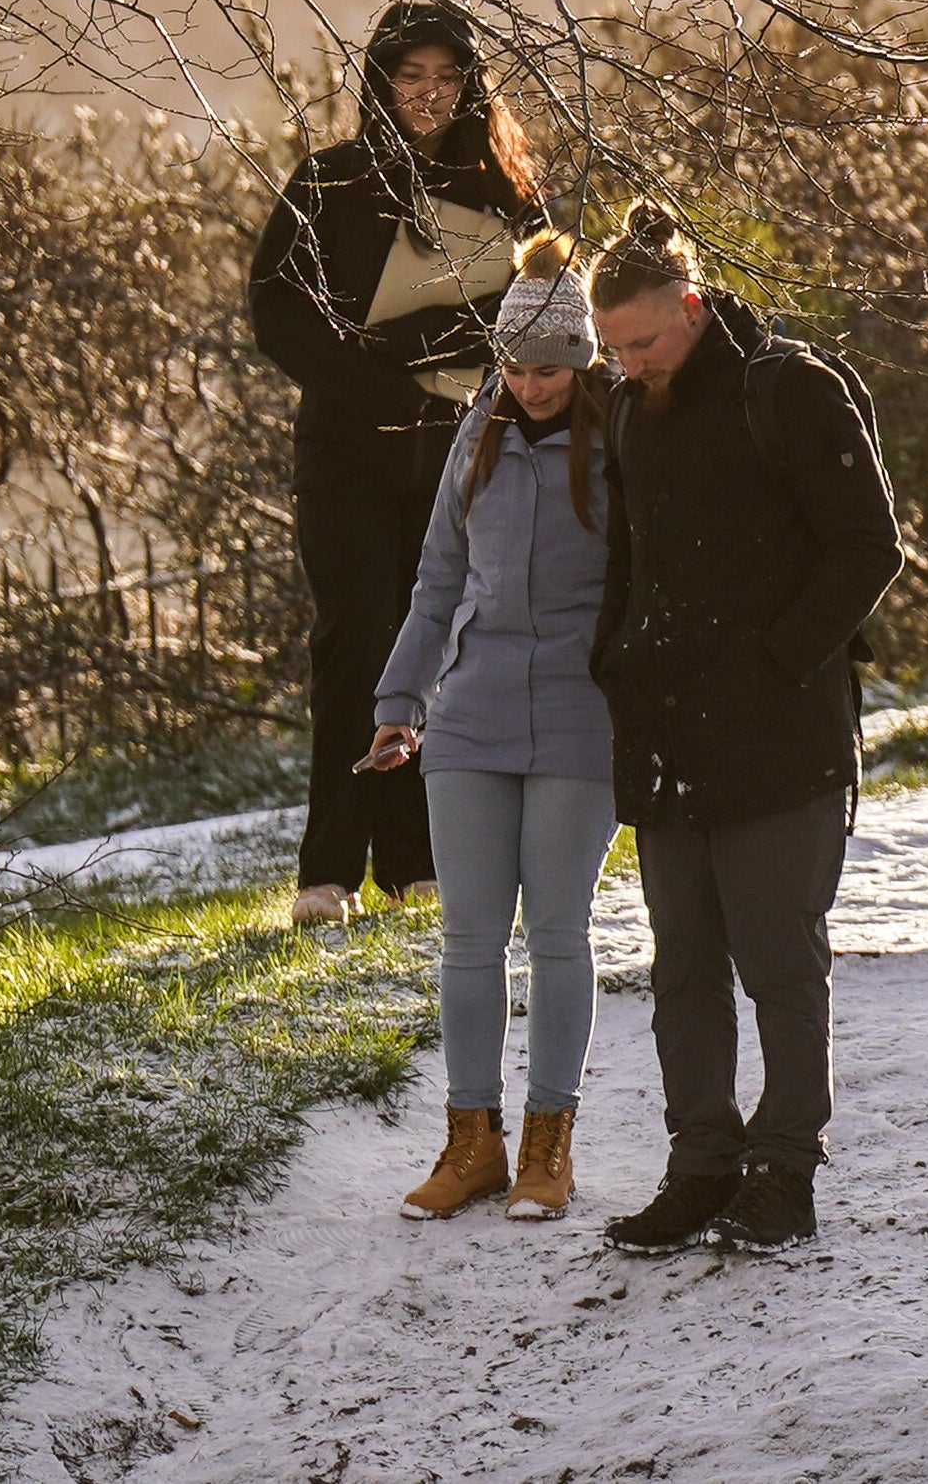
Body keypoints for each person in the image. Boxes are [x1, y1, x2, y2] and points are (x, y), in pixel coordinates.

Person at [586, 203, 901, 1258]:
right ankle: (700, 1164)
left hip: (782, 733)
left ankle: (785, 1170)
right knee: (682, 966)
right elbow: (628, 564)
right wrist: (617, 668)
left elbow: (868, 546)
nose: (627, 365)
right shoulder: (629, 412)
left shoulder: (791, 391)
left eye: (642, 342)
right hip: (669, 732)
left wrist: (776, 662)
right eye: (611, 349)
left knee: (777, 959)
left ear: (688, 304)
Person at [246, 0, 548, 922]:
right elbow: (278, 313)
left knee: (443, 651)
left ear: (470, 84)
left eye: (445, 77)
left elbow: (535, 309)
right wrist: (388, 384)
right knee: (355, 645)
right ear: (381, 82)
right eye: (410, 76)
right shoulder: (329, 181)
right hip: (346, 453)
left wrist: (423, 347)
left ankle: (418, 860)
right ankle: (327, 869)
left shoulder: (508, 189)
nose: (427, 94)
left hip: (461, 453)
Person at [360, 231, 616, 1224]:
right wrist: (398, 705)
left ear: (583, 358)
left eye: (549, 365)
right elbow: (436, 580)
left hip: (577, 718)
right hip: (468, 714)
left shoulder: (619, 435)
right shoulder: (479, 435)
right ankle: (472, 1142)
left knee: (556, 933)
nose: (531, 381)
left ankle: (549, 1145)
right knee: (467, 939)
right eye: (514, 363)